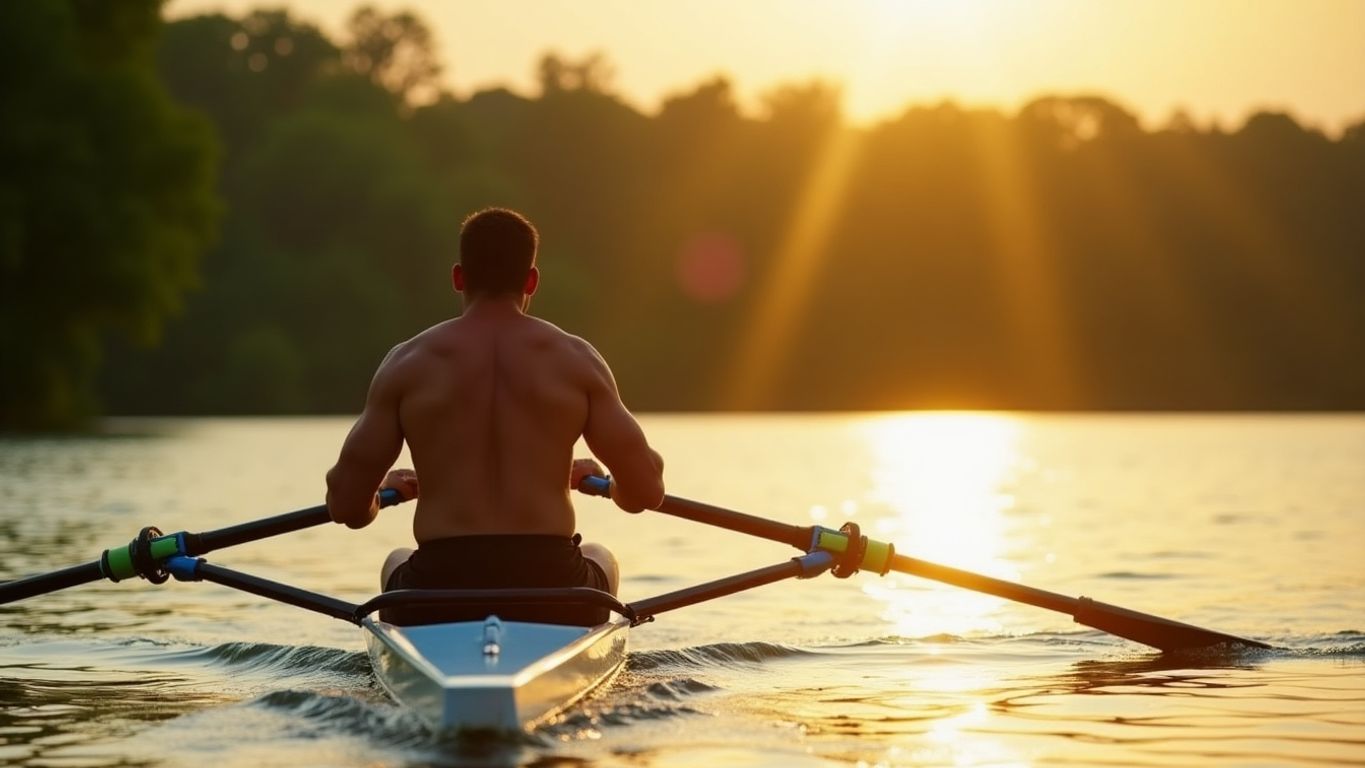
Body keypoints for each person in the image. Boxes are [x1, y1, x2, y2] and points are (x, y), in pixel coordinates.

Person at [324, 207, 665, 625]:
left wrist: (379, 493)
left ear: (458, 277)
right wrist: (608, 487)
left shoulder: (407, 363)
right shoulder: (576, 360)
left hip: (437, 588)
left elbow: (345, 506)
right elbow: (647, 490)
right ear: (532, 280)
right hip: (553, 586)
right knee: (600, 557)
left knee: (396, 559)